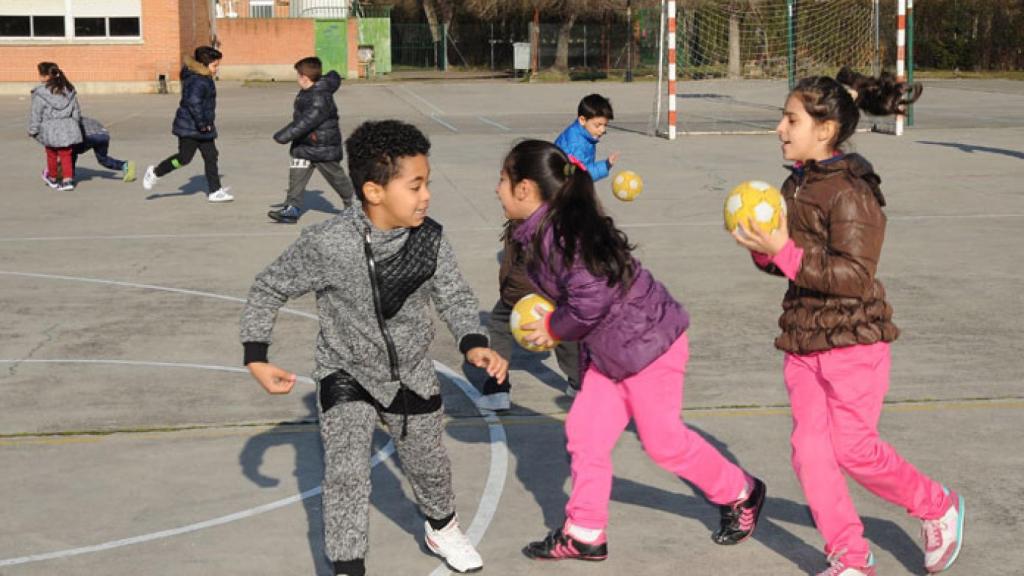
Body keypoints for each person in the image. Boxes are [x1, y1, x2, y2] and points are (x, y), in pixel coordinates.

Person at [240, 119, 508, 576]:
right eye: (415, 185)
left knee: (429, 467)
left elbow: (456, 295)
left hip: (410, 372)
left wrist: (473, 343)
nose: (426, 196)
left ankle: (441, 528)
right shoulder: (328, 244)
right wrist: (256, 357)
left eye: (428, 184)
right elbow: (268, 288)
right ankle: (348, 567)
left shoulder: (429, 240)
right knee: (345, 475)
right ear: (374, 191)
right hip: (345, 373)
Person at [730, 70, 961, 576]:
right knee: (810, 454)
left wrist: (785, 254)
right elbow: (794, 258)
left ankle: (937, 504)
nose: (780, 129)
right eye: (782, 119)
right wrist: (764, 252)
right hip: (804, 338)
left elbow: (855, 275)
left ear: (825, 130)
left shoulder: (853, 190)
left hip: (853, 340)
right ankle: (850, 557)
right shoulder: (798, 183)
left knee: (853, 450)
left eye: (791, 119)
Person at [497, 140, 765, 562]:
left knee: (665, 444)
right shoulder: (547, 229)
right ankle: (585, 531)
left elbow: (591, 300)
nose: (497, 190)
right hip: (612, 354)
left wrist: (550, 326)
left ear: (526, 189)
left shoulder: (560, 233)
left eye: (502, 181)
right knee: (585, 433)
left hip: (650, 347)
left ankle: (741, 492)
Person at [472, 218, 581, 413]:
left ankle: (497, 391)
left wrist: (508, 292)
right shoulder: (561, 215)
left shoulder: (525, 219)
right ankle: (579, 383)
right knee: (562, 328)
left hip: (524, 289)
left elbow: (515, 266)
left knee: (499, 324)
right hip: (557, 288)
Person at [268, 56, 356, 224]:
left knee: (337, 179)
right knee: (296, 177)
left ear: (304, 77)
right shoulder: (311, 90)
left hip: (321, 147)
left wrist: (284, 135)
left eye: (298, 75)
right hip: (305, 146)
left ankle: (355, 206)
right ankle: (291, 209)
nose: (297, 79)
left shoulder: (319, 97)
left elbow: (307, 121)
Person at [143, 46, 233, 203]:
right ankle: (155, 172)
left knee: (211, 156)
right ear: (204, 64)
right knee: (184, 158)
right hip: (190, 128)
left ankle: (215, 191)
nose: (217, 69)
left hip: (203, 126)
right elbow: (193, 104)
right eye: (215, 65)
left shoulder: (203, 77)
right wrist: (202, 124)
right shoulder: (198, 80)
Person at [29, 62, 81, 191]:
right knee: (66, 153)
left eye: (41, 74)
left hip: (49, 128)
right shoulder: (69, 90)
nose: (40, 77)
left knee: (51, 153)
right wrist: (75, 124)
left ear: (46, 77)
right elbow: (76, 111)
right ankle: (67, 180)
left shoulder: (40, 93)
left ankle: (52, 178)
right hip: (68, 126)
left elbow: (36, 113)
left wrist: (33, 130)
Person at [553, 93, 620, 181]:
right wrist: (605, 165)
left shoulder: (584, 136)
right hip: (566, 190)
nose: (603, 130)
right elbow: (578, 175)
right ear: (582, 120)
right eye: (598, 125)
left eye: (605, 125)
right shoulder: (575, 145)